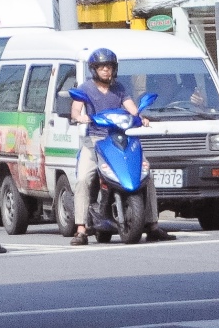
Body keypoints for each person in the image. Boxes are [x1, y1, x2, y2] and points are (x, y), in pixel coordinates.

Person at [68, 48, 169, 244]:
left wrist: (141, 118)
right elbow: (75, 110)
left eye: (109, 66)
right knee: (83, 178)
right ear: (94, 69)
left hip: (120, 138)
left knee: (146, 174)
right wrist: (81, 117)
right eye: (101, 67)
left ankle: (153, 225)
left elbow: (132, 109)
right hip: (95, 140)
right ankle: (81, 229)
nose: (106, 70)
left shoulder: (120, 88)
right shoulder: (85, 88)